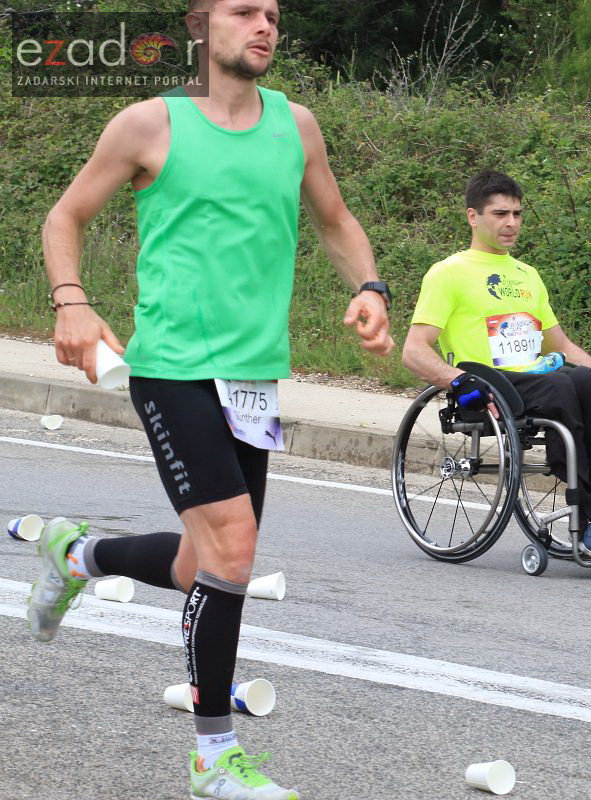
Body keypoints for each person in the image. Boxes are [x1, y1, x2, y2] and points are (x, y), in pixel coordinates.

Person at [30, 1, 393, 797]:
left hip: (254, 378)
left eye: (272, 13)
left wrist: (369, 285)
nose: (264, 25)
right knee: (233, 547)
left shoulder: (296, 126)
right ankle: (212, 756)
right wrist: (71, 300)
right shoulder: (147, 124)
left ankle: (76, 553)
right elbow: (66, 216)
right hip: (172, 367)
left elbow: (335, 219)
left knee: (205, 563)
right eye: (243, 11)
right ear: (198, 26)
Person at [402, 170, 591, 560]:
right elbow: (414, 350)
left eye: (516, 213)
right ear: (472, 217)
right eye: (499, 214)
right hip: (490, 380)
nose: (511, 223)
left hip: (538, 373)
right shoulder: (449, 273)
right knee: (565, 387)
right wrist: (456, 380)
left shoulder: (527, 275)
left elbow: (559, 344)